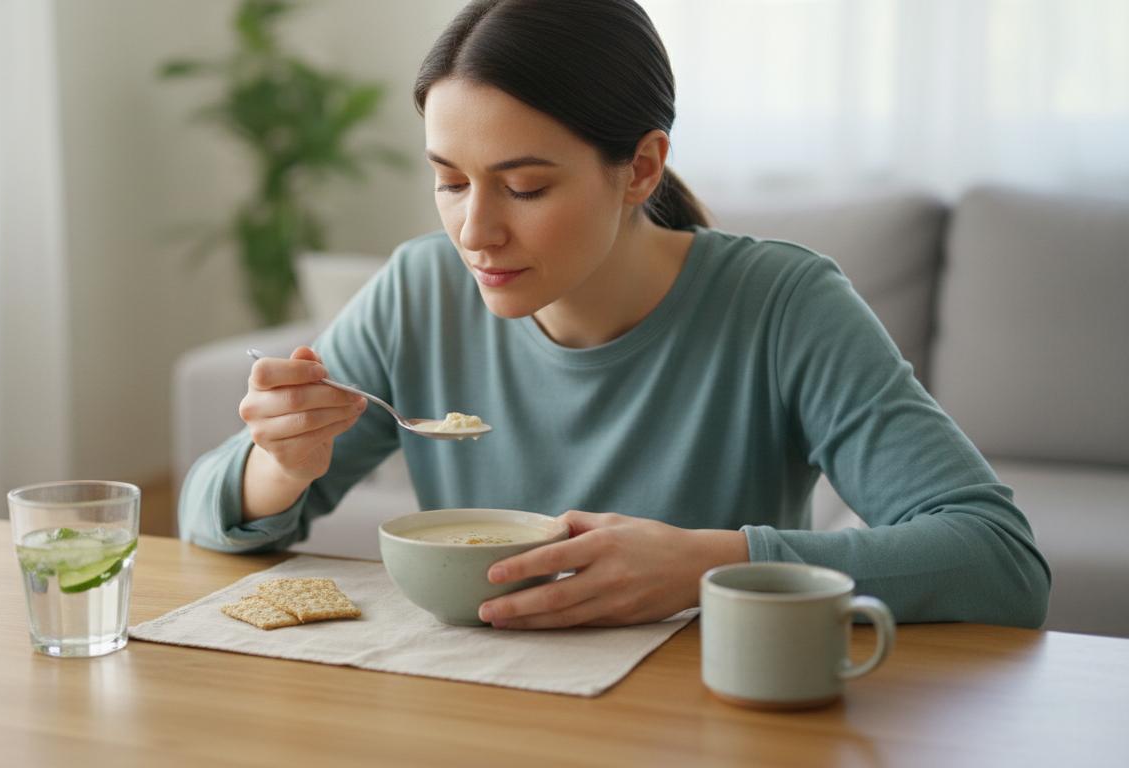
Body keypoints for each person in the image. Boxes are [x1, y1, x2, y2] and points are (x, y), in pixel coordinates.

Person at [179, 0, 1050, 630]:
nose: (474, 231)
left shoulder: (784, 306)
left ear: (639, 169)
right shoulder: (420, 291)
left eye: (524, 186)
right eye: (448, 181)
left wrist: (712, 563)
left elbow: (1000, 560)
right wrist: (281, 464)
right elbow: (207, 521)